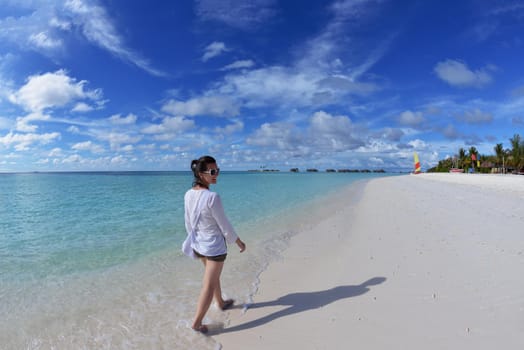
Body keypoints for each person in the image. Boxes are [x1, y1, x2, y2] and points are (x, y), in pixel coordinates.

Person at [183, 155, 246, 333]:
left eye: (217, 170)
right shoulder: (212, 197)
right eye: (212, 171)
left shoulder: (188, 194)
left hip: (200, 245)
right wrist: (238, 242)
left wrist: (193, 240)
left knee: (212, 278)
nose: (216, 174)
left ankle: (221, 302)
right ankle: (196, 323)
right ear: (201, 174)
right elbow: (224, 224)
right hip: (215, 248)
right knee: (208, 285)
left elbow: (188, 222)